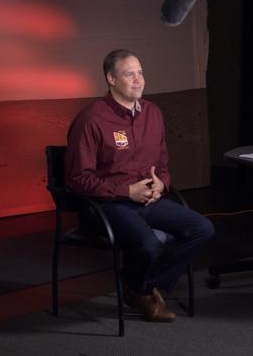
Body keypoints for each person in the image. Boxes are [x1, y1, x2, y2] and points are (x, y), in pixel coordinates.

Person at [65, 49, 214, 322]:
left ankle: (140, 287)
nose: (138, 80)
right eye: (129, 74)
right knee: (147, 244)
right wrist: (126, 191)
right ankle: (142, 291)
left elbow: (163, 165)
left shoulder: (153, 114)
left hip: (147, 201)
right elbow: (77, 179)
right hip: (105, 206)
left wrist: (161, 184)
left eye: (141, 72)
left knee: (202, 228)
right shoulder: (91, 119)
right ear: (111, 79)